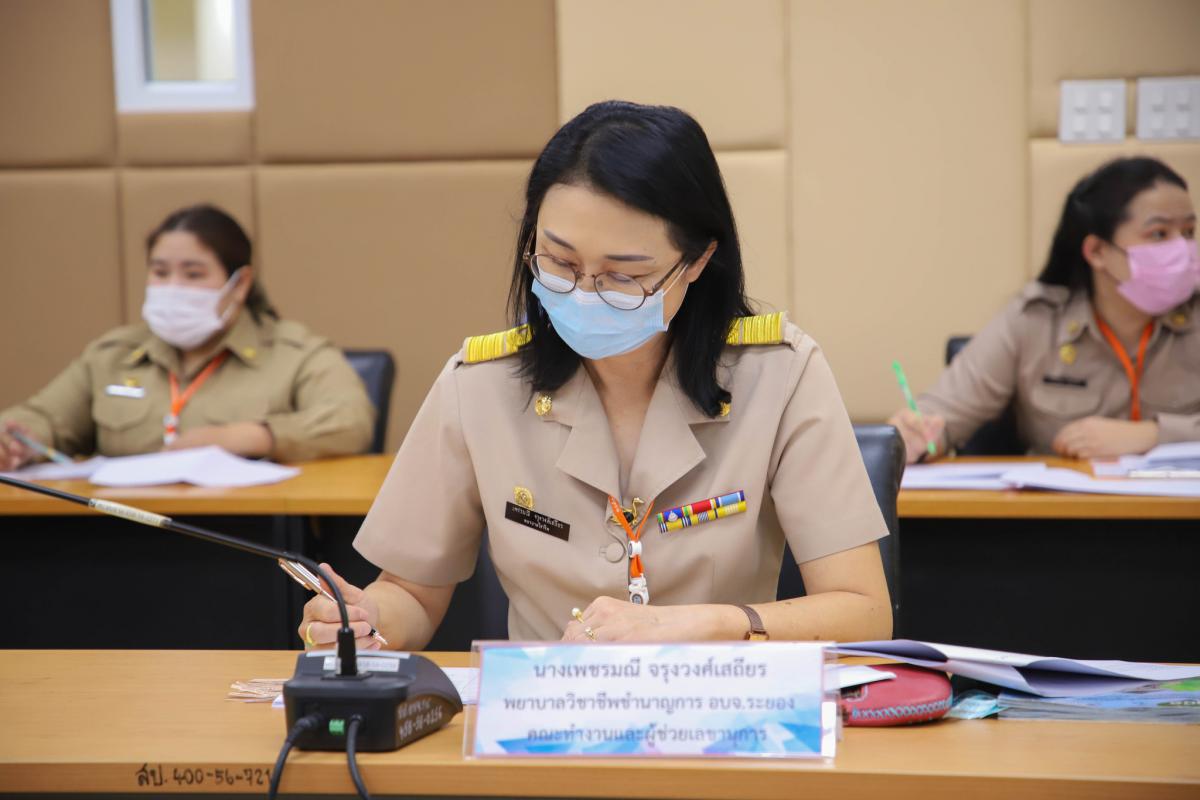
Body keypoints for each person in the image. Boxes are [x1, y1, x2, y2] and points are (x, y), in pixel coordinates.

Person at [300, 101, 892, 651]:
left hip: (723, 708)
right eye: (559, 262)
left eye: (623, 275)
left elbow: (862, 611)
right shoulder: (480, 384)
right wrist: (363, 620)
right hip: (544, 717)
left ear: (698, 261)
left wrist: (703, 624)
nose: (584, 292)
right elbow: (410, 593)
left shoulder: (779, 374)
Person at [0, 204, 374, 468]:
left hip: (242, 533)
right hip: (115, 535)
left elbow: (351, 420)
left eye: (193, 274)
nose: (173, 287)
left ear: (240, 284)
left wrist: (251, 437)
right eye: (160, 273)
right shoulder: (112, 354)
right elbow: (45, 417)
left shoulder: (294, 352)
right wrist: (17, 438)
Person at [890, 157, 1199, 464]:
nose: (1182, 249)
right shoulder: (1035, 319)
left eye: (1188, 232)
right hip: (1061, 496)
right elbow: (944, 412)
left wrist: (1153, 435)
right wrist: (917, 433)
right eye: (1159, 234)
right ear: (1097, 251)